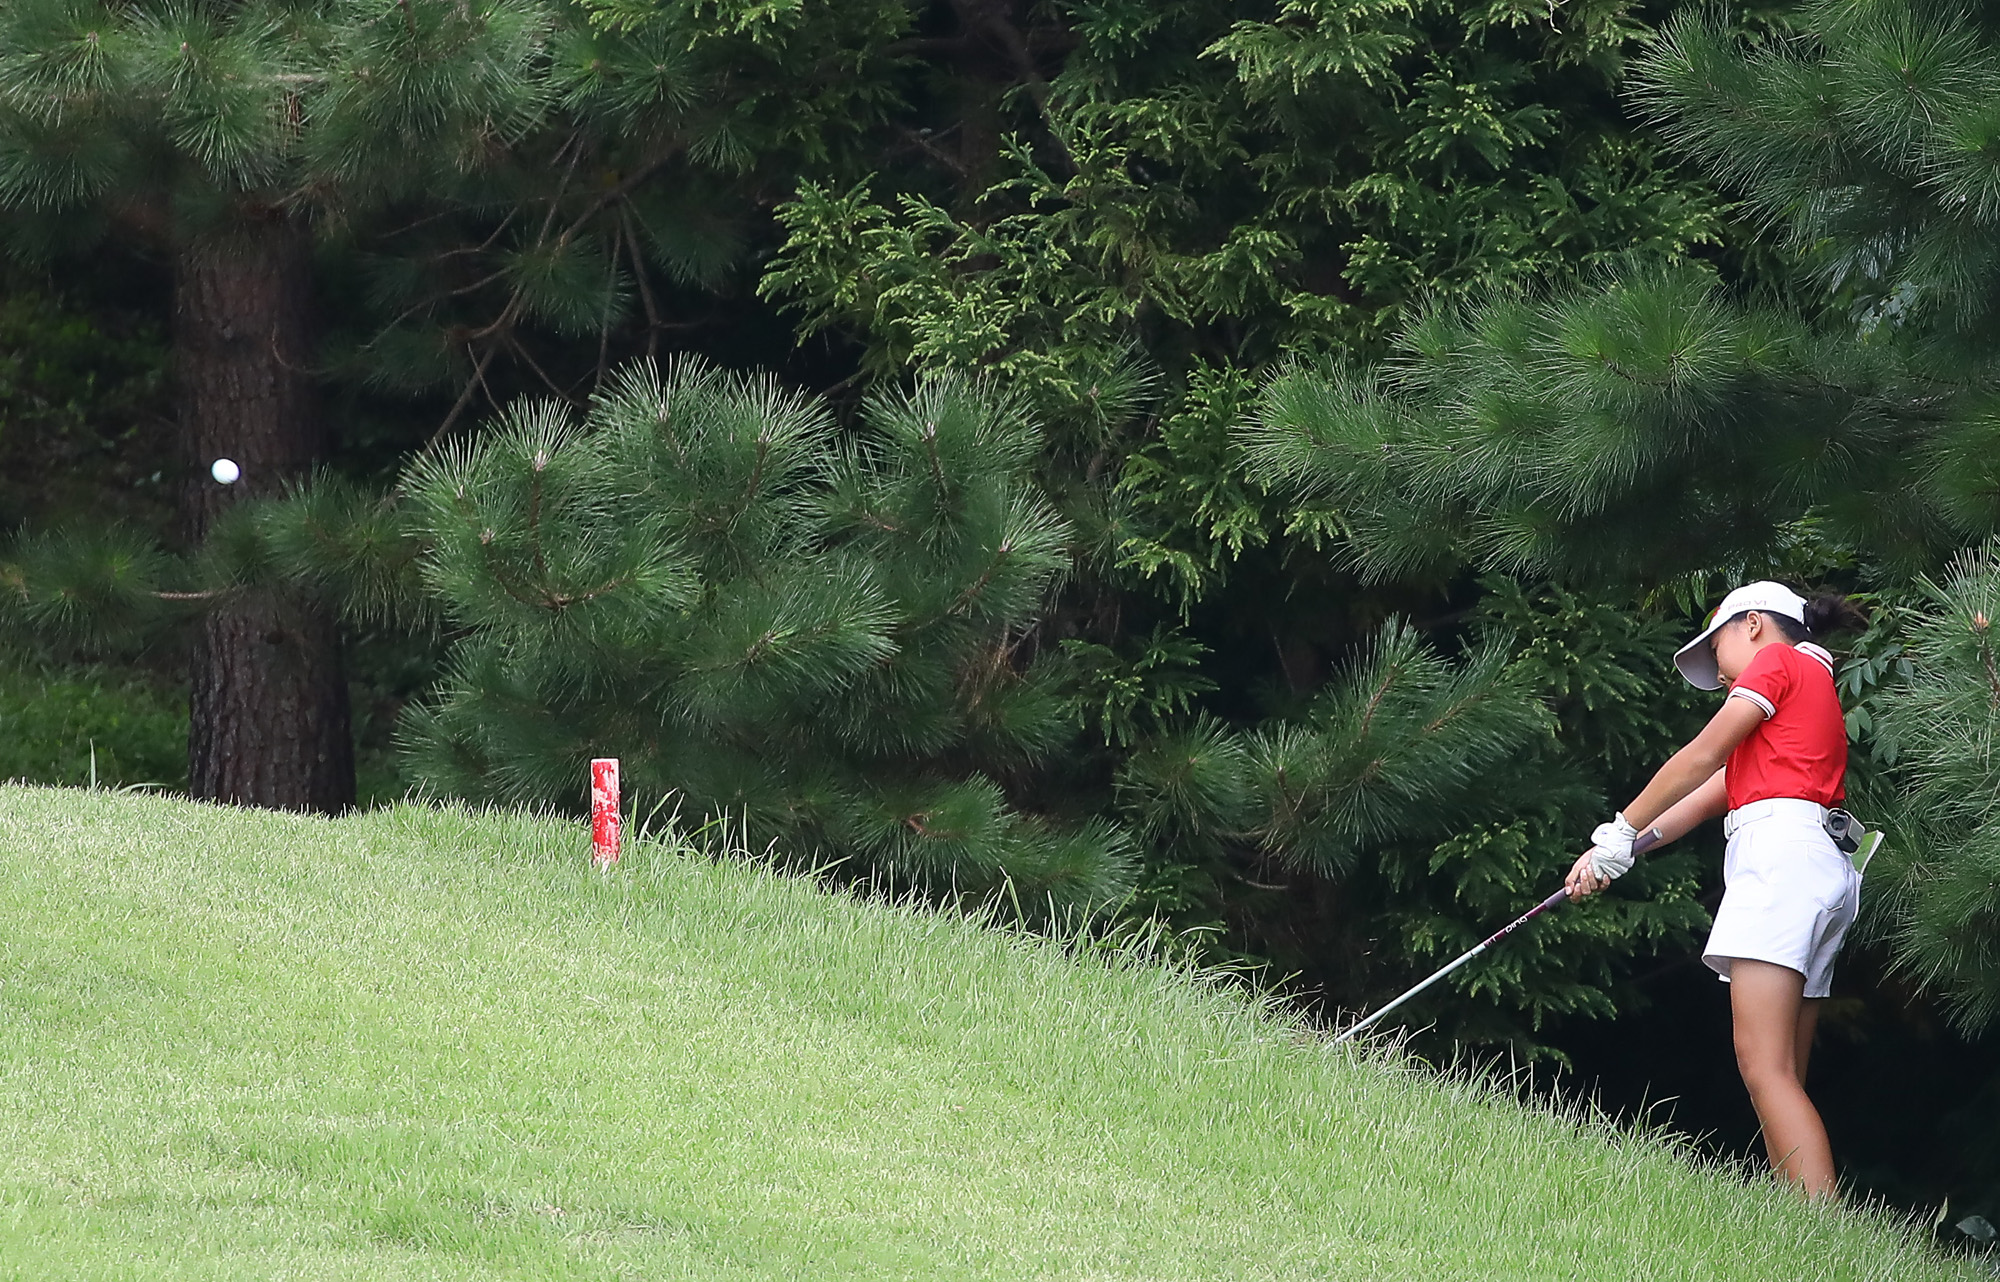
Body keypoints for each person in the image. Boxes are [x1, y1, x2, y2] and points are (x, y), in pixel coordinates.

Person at [1565, 581, 1868, 1199]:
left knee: (1763, 1065)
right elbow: (1703, 801)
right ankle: (1800, 1222)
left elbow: (1702, 754)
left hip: (1782, 861)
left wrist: (1618, 827)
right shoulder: (1801, 706)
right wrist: (1615, 853)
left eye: (1719, 645)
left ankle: (1823, 1231)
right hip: (1818, 864)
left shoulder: (1780, 663)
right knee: (1782, 1071)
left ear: (1754, 625)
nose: (1721, 671)